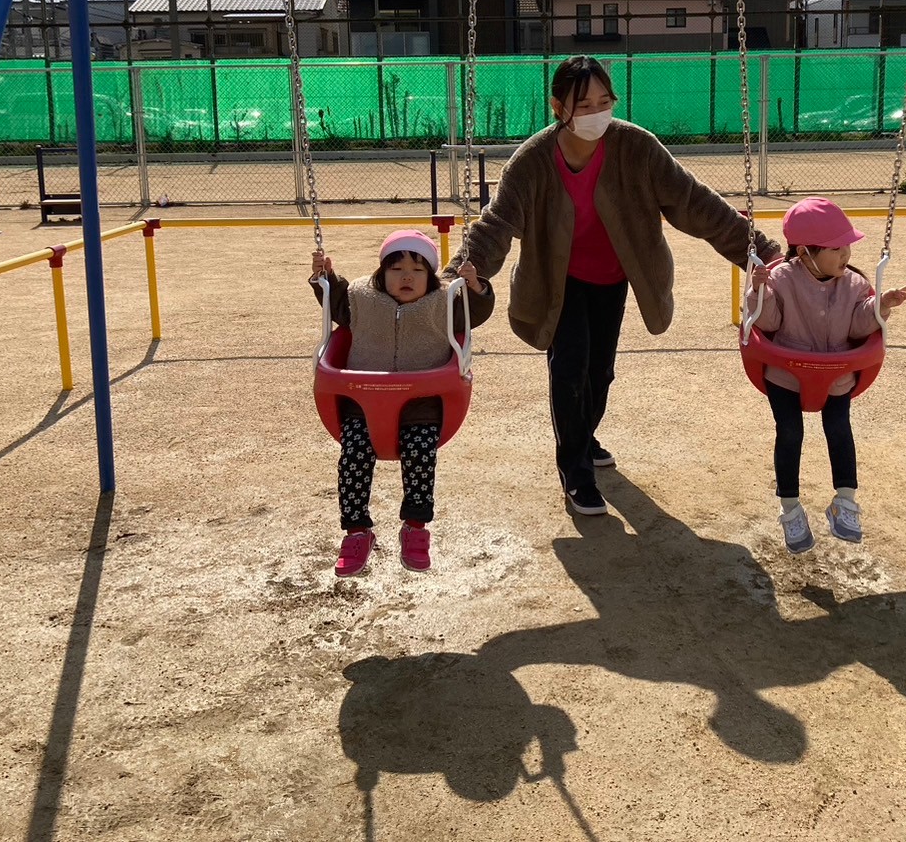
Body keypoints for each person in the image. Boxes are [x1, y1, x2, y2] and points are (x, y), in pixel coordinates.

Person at [447, 54, 782, 516]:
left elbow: (694, 202)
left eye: (605, 101)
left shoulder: (635, 148)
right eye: (584, 105)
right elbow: (496, 223)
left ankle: (583, 435)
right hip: (558, 282)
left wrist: (760, 250)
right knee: (570, 368)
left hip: (613, 277)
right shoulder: (533, 161)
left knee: (599, 371)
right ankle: (576, 472)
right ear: (558, 107)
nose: (597, 113)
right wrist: (457, 275)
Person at [311, 229, 493, 576]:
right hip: (362, 405)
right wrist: (325, 278)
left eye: (417, 270)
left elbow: (475, 314)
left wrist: (475, 288)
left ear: (431, 276)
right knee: (353, 457)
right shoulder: (362, 299)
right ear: (382, 273)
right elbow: (336, 303)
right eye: (396, 269)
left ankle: (415, 528)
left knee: (420, 456)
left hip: (421, 407)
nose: (406, 277)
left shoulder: (444, 302)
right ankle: (357, 532)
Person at [747, 197, 906, 548]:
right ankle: (790, 509)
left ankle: (845, 502)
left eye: (847, 247)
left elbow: (858, 327)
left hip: (837, 376)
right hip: (786, 376)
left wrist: (882, 305)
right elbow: (768, 323)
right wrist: (759, 291)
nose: (845, 255)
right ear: (805, 252)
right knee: (790, 432)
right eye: (836, 249)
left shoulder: (853, 284)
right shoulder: (781, 279)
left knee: (840, 431)